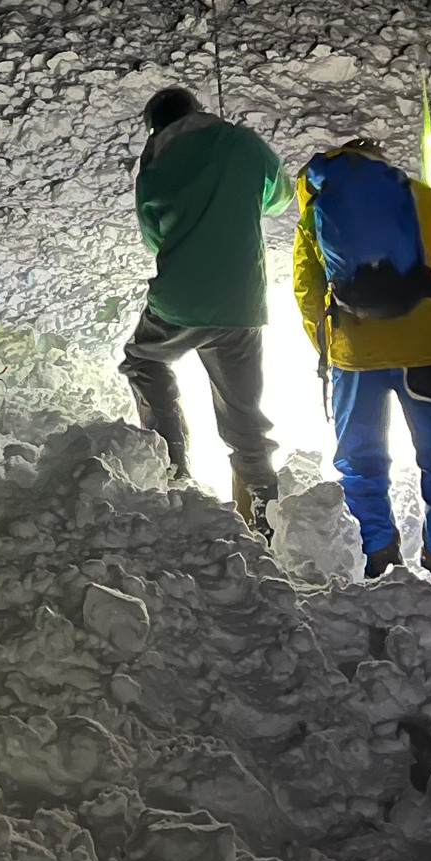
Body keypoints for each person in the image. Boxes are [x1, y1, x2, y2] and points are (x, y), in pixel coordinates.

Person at [292, 139, 431, 588]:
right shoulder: (418, 193)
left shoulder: (319, 207)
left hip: (355, 359)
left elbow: (306, 288)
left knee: (361, 459)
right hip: (426, 353)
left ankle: (377, 553)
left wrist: (329, 348)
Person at [120, 87, 293, 536]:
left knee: (144, 360)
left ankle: (170, 463)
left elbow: (153, 238)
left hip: (178, 301)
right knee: (242, 410)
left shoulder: (154, 164)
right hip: (241, 304)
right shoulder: (241, 142)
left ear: (155, 127)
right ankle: (259, 509)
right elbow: (280, 197)